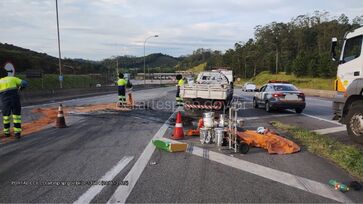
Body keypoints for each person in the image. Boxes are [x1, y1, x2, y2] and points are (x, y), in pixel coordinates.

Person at [0, 68, 28, 139]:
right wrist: (21, 88)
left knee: (6, 117)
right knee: (16, 117)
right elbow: (25, 83)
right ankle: (17, 134)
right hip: (15, 100)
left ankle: (6, 133)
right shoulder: (13, 78)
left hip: (5, 102)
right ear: (7, 74)